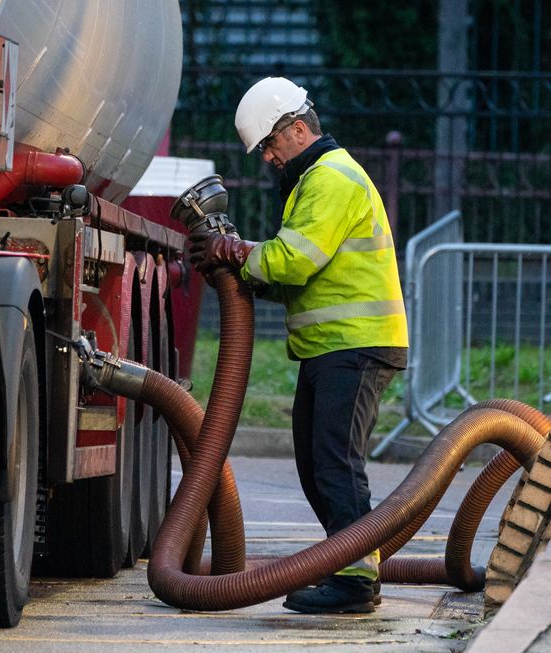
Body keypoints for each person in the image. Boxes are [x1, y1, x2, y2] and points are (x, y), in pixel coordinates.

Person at [188, 77, 409, 614]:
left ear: (299, 127)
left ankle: (356, 582)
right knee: (316, 465)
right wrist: (239, 265)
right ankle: (349, 563)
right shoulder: (314, 180)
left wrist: (234, 250)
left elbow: (293, 259)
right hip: (333, 347)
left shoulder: (331, 179)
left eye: (270, 144)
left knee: (335, 461)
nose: (267, 157)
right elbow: (290, 276)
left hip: (354, 346)